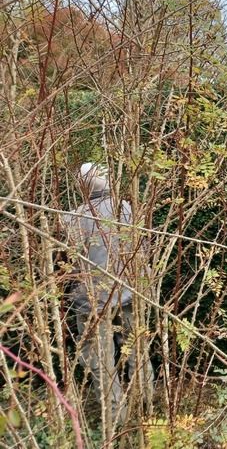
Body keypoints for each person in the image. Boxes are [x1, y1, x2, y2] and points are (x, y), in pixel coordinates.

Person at [62, 163, 154, 426]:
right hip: (132, 290)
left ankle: (115, 419)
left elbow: (67, 262)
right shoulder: (127, 208)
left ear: (82, 188)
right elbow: (143, 249)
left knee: (100, 359)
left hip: (92, 298)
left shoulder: (71, 218)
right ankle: (145, 405)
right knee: (137, 346)